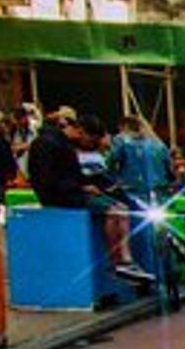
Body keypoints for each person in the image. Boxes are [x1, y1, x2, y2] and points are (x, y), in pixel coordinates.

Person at [28, 106, 150, 285]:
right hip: (57, 196)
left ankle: (125, 258)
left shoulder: (61, 144)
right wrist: (81, 186)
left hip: (68, 191)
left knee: (121, 208)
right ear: (80, 132)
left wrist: (87, 184)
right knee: (112, 210)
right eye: (91, 141)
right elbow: (47, 178)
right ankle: (118, 260)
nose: (91, 146)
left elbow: (69, 175)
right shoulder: (48, 143)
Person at [108, 114, 175, 207]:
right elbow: (170, 170)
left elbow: (111, 161)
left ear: (124, 127)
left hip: (132, 192)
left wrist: (113, 180)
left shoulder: (121, 140)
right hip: (160, 194)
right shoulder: (159, 144)